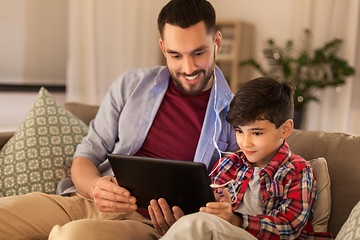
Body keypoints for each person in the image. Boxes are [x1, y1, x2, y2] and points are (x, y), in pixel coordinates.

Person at [0, 0, 238, 239]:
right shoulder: (131, 85)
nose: (188, 68)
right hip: (85, 202)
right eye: (176, 55)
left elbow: (232, 203)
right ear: (163, 47)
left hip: (148, 224)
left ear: (216, 42)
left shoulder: (237, 116)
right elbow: (85, 156)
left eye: (198, 53)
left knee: (73, 236)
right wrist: (96, 188)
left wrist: (186, 222)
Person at [160, 77, 328, 239]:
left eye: (256, 133)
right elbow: (201, 209)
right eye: (239, 131)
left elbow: (289, 228)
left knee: (201, 224)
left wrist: (235, 220)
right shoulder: (228, 164)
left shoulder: (297, 171)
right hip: (215, 233)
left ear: (285, 129)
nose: (245, 142)